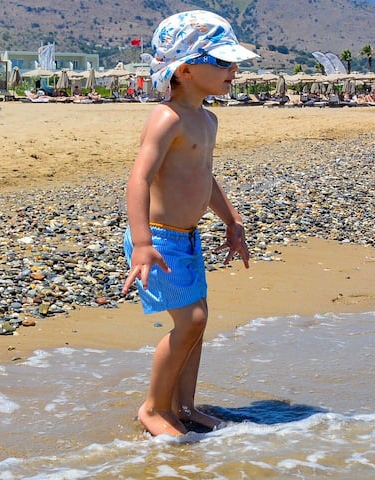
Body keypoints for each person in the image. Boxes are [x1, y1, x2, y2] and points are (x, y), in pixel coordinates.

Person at [122, 9, 258, 438]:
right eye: (222, 62)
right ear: (185, 69)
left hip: (189, 239)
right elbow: (139, 178)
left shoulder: (208, 118)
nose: (233, 70)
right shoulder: (167, 118)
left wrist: (232, 221)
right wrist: (142, 243)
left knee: (197, 324)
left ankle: (183, 406)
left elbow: (204, 177)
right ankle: (154, 407)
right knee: (192, 320)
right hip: (159, 239)